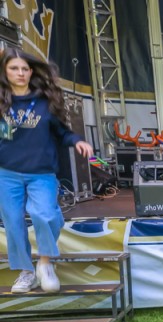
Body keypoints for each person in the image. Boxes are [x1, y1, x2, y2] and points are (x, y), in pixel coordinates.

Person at [0, 48, 93, 293]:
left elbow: (63, 132)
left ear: (31, 71)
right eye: (13, 68)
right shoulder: (1, 100)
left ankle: (45, 263)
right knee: (12, 222)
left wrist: (77, 141)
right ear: (5, 71)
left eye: (24, 68)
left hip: (41, 173)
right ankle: (26, 272)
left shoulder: (44, 101)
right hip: (6, 172)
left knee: (45, 215)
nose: (20, 73)